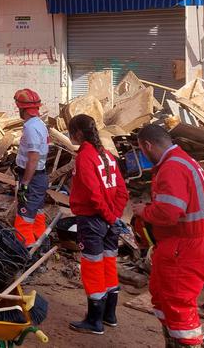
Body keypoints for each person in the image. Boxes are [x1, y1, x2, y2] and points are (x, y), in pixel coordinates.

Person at [131, 124, 204, 347]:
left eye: (142, 150)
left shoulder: (172, 168)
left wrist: (144, 211)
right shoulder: (183, 162)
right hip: (185, 245)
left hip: (185, 248)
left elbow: (169, 213)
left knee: (179, 310)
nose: (143, 155)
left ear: (147, 145)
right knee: (163, 299)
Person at [67, 114, 129, 335]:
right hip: (110, 220)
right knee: (109, 264)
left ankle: (95, 321)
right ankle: (109, 315)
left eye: (69, 131)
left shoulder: (85, 157)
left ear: (77, 133)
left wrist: (109, 217)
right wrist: (115, 217)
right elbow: (122, 191)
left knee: (92, 268)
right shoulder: (108, 156)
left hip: (93, 220)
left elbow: (94, 195)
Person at [13, 88, 49, 247]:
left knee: (23, 223)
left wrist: (25, 184)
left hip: (32, 179)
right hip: (39, 178)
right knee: (37, 218)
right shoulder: (39, 124)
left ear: (22, 109)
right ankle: (41, 249)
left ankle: (27, 257)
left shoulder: (31, 128)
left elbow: (33, 158)